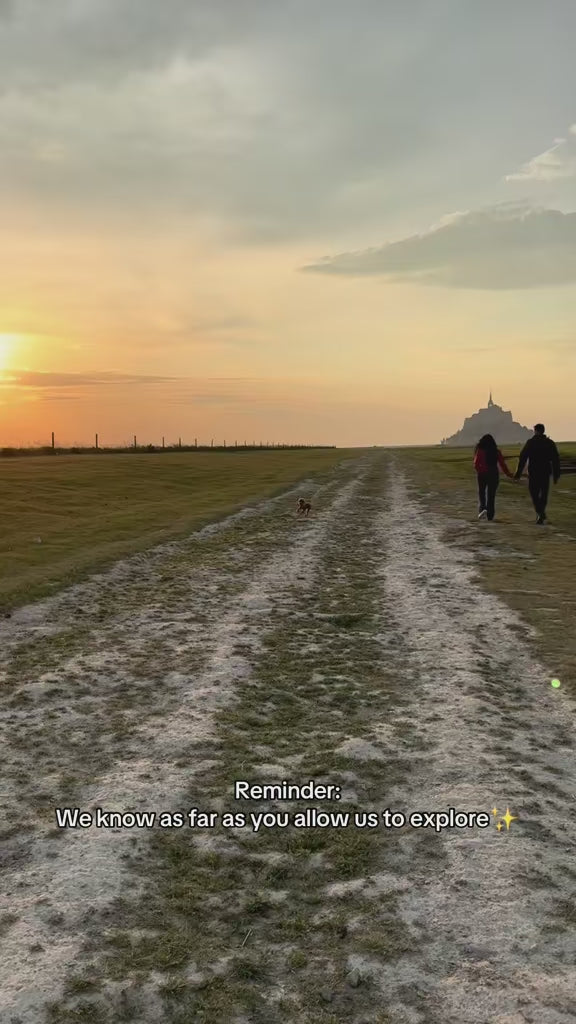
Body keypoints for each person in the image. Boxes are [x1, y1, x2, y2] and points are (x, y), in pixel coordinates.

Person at [514, 424, 561, 524]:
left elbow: (523, 457)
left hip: (534, 472)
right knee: (544, 494)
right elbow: (556, 460)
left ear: (535, 431)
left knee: (534, 493)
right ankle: (541, 513)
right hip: (545, 472)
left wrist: (518, 473)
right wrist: (556, 475)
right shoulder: (549, 443)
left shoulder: (531, 443)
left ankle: (540, 513)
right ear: (543, 431)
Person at [474, 434, 514, 521]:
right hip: (493, 474)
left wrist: (480, 471)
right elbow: (502, 464)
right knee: (491, 496)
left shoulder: (480, 451)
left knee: (482, 494)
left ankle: (482, 509)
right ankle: (490, 515)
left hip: (482, 475)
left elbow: (476, 464)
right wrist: (508, 474)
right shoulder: (496, 451)